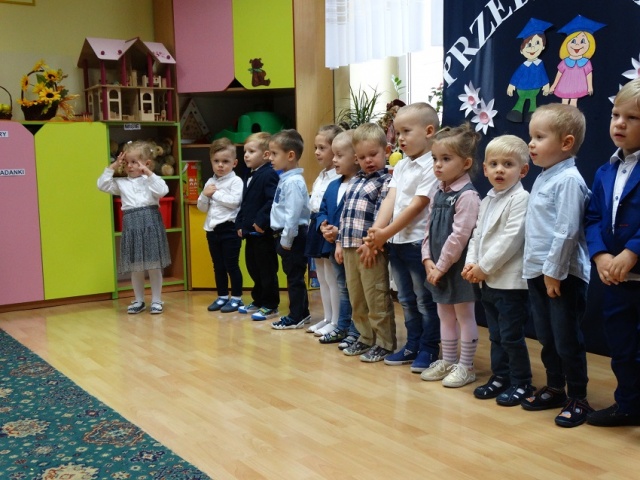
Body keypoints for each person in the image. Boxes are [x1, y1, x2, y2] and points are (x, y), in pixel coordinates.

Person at [521, 103, 592, 427]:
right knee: (547, 336)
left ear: (566, 143)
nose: (531, 144)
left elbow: (566, 231)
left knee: (566, 339)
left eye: (539, 137)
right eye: (531, 137)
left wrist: (553, 272)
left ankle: (578, 396)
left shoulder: (569, 180)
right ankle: (554, 387)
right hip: (539, 272)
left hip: (562, 276)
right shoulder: (545, 176)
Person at [365, 102, 441, 373]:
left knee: (424, 299)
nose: (400, 139)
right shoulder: (402, 166)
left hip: (418, 242)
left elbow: (418, 205)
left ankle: (429, 348)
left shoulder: (433, 165)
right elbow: (391, 199)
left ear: (429, 131)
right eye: (397, 133)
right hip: (396, 242)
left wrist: (385, 233)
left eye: (406, 131)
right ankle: (412, 344)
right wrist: (376, 233)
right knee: (406, 299)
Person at [462, 135, 534, 405]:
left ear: (523, 170)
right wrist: (471, 263)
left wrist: (483, 267)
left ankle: (521, 382)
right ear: (485, 169)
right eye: (493, 164)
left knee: (511, 336)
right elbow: (477, 235)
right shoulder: (488, 199)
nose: (499, 170)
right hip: (487, 281)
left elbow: (511, 239)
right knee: (495, 334)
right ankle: (501, 376)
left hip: (509, 282)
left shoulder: (521, 198)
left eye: (508, 164)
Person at [585, 78, 640, 427]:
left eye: (632, 118)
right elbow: (592, 217)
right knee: (622, 346)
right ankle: (628, 405)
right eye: (615, 115)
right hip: (616, 280)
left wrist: (632, 251)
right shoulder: (605, 170)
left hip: (635, 269)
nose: (620, 123)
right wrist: (601, 255)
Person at [420, 123, 481, 388]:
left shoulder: (468, 196)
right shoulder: (437, 191)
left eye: (446, 159)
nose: (438, 165)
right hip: (437, 266)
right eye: (435, 158)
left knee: (464, 315)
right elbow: (427, 228)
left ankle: (466, 366)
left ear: (466, 163)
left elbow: (459, 237)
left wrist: (441, 266)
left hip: (456, 268)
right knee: (444, 314)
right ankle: (447, 360)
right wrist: (427, 260)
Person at [336, 123, 396, 362]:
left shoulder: (386, 181)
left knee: (376, 296)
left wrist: (372, 245)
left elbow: (382, 215)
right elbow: (344, 215)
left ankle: (384, 342)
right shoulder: (354, 181)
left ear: (386, 151)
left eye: (373, 154)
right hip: (349, 247)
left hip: (370, 249)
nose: (368, 160)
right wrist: (339, 243)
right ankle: (365, 336)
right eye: (362, 157)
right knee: (357, 297)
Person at [97, 140, 171, 315]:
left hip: (151, 223)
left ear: (146, 163)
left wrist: (149, 173)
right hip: (132, 225)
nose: (129, 166)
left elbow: (163, 190)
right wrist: (114, 166)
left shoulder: (151, 181)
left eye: (134, 162)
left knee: (154, 265)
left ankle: (156, 300)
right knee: (136, 265)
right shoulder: (121, 183)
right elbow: (102, 185)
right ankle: (139, 300)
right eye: (127, 162)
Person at [316, 130, 360, 347]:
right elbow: (323, 209)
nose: (334, 160)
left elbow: (356, 217)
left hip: (352, 246)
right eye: (333, 155)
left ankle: (356, 329)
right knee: (342, 286)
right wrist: (322, 225)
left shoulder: (359, 184)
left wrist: (339, 232)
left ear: (356, 157)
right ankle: (342, 326)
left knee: (355, 289)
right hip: (333, 245)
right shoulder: (333, 185)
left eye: (339, 155)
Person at [235, 132, 281, 321]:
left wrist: (261, 222)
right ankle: (259, 299)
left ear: (266, 155)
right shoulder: (249, 174)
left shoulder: (269, 174)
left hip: (263, 233)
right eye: (245, 151)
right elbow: (245, 203)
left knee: (266, 269)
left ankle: (270, 304)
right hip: (250, 233)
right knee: (253, 267)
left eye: (251, 151)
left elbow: (272, 200)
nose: (246, 155)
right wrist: (239, 223)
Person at [269, 129, 311, 329]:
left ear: (291, 155)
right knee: (293, 275)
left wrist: (286, 240)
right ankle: (302, 312)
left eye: (274, 153)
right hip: (287, 235)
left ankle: (296, 316)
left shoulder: (293, 182)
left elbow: (293, 215)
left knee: (294, 278)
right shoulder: (286, 178)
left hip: (292, 237)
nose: (270, 158)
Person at [305, 125, 344, 336]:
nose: (317, 152)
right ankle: (327, 317)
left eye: (322, 148)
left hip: (328, 226)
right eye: (316, 147)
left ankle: (336, 320)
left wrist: (325, 225)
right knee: (321, 276)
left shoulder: (337, 177)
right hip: (316, 224)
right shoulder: (321, 175)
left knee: (332, 277)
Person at [198, 137, 244, 313]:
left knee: (231, 265)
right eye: (216, 161)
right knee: (218, 266)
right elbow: (202, 207)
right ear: (211, 161)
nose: (220, 165)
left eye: (225, 161)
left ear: (234, 163)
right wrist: (204, 194)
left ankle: (237, 298)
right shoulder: (210, 183)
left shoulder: (236, 181)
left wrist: (213, 194)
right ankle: (222, 296)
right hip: (212, 230)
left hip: (230, 229)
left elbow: (234, 202)